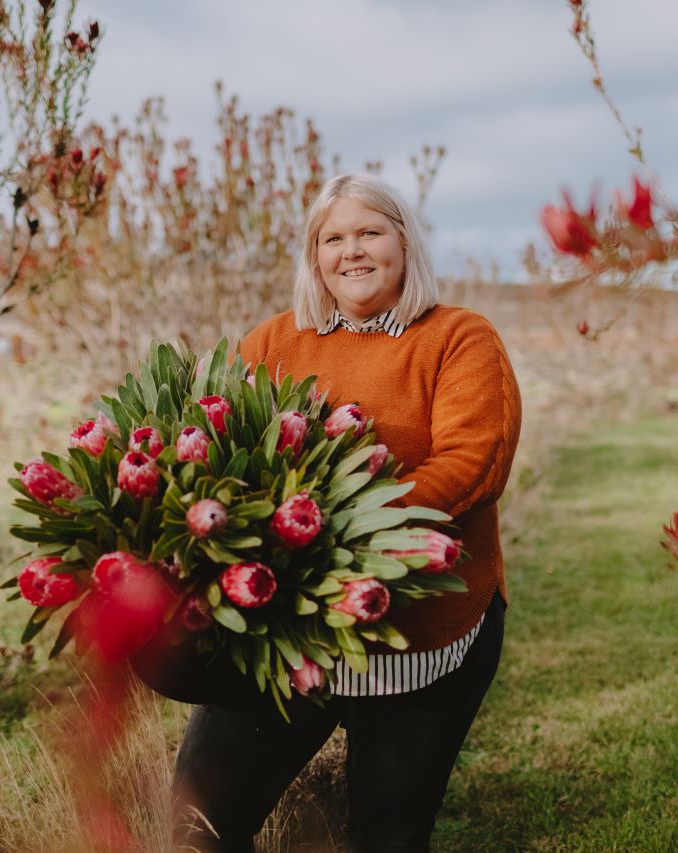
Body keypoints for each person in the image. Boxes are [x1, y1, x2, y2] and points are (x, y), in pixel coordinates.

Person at [171, 173, 522, 852]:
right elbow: (217, 454)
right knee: (199, 822)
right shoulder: (273, 343)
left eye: (370, 232)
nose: (351, 251)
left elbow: (472, 464)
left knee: (386, 832)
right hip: (291, 630)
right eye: (333, 237)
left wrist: (341, 534)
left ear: (404, 242)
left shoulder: (458, 338)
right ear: (314, 256)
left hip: (418, 634)